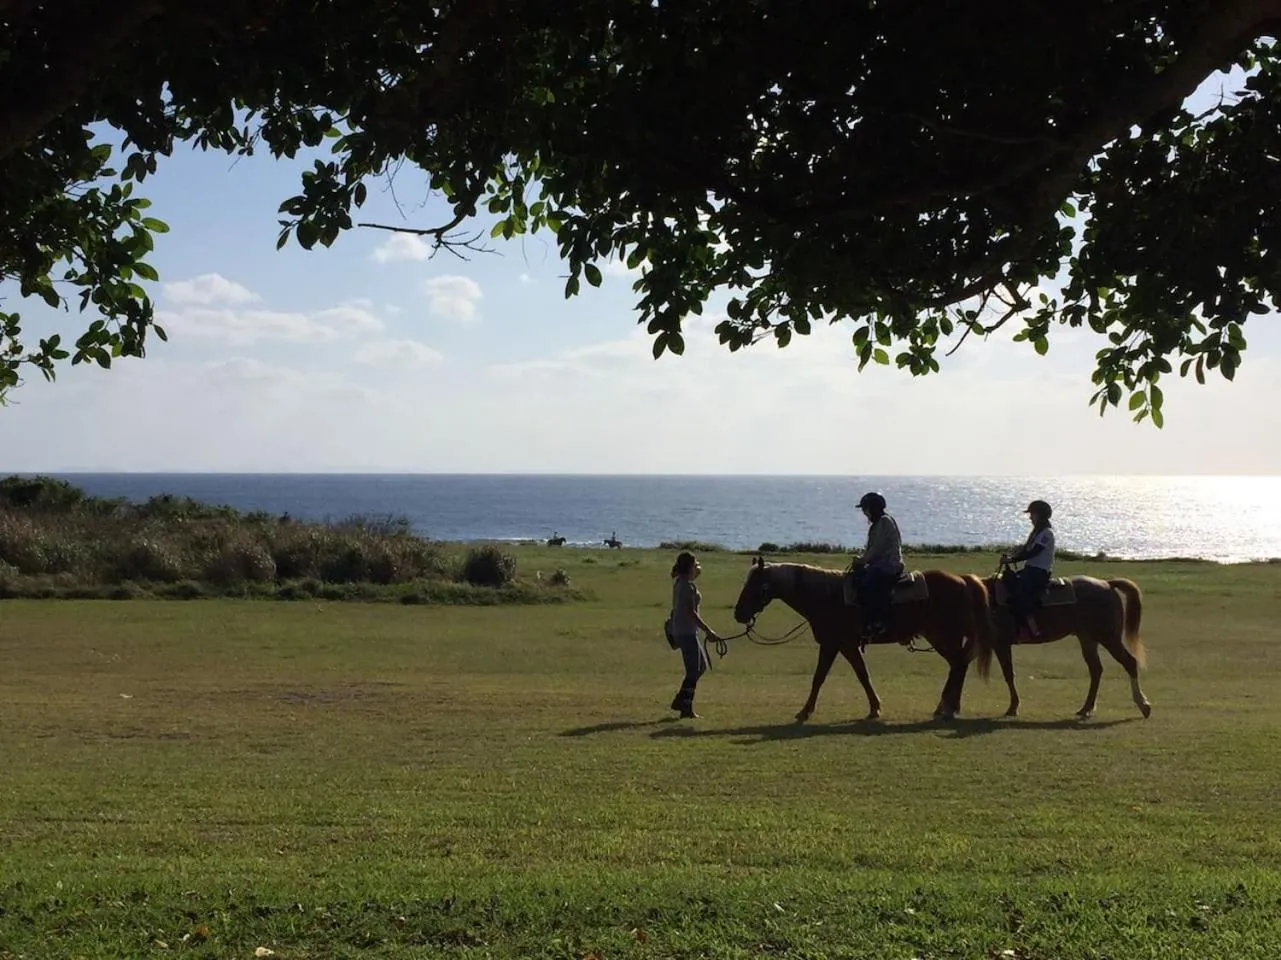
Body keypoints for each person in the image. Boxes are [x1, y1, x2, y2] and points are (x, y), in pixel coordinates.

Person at [668, 550, 724, 719]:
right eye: (695, 564)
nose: (697, 567)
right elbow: (691, 613)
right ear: (690, 567)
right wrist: (709, 631)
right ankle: (685, 707)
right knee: (693, 670)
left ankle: (681, 699)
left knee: (700, 667)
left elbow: (696, 573)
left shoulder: (680, 582)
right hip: (687, 632)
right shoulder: (688, 587)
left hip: (683, 630)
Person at [850, 491, 904, 641]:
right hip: (879, 564)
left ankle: (878, 622)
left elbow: (876, 549)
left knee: (869, 584)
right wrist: (861, 558)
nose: (864, 513)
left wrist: (862, 560)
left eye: (865, 509)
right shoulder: (877, 524)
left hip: (889, 565)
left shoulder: (884, 522)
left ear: (873, 508)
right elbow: (870, 548)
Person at [1000, 499, 1056, 640]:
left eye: (1032, 514)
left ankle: (1032, 630)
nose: (1030, 517)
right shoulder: (1037, 532)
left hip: (1039, 572)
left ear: (1040, 515)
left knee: (1022, 597)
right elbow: (1025, 549)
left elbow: (1033, 552)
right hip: (1031, 569)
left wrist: (1012, 560)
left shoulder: (1046, 533)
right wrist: (1011, 554)